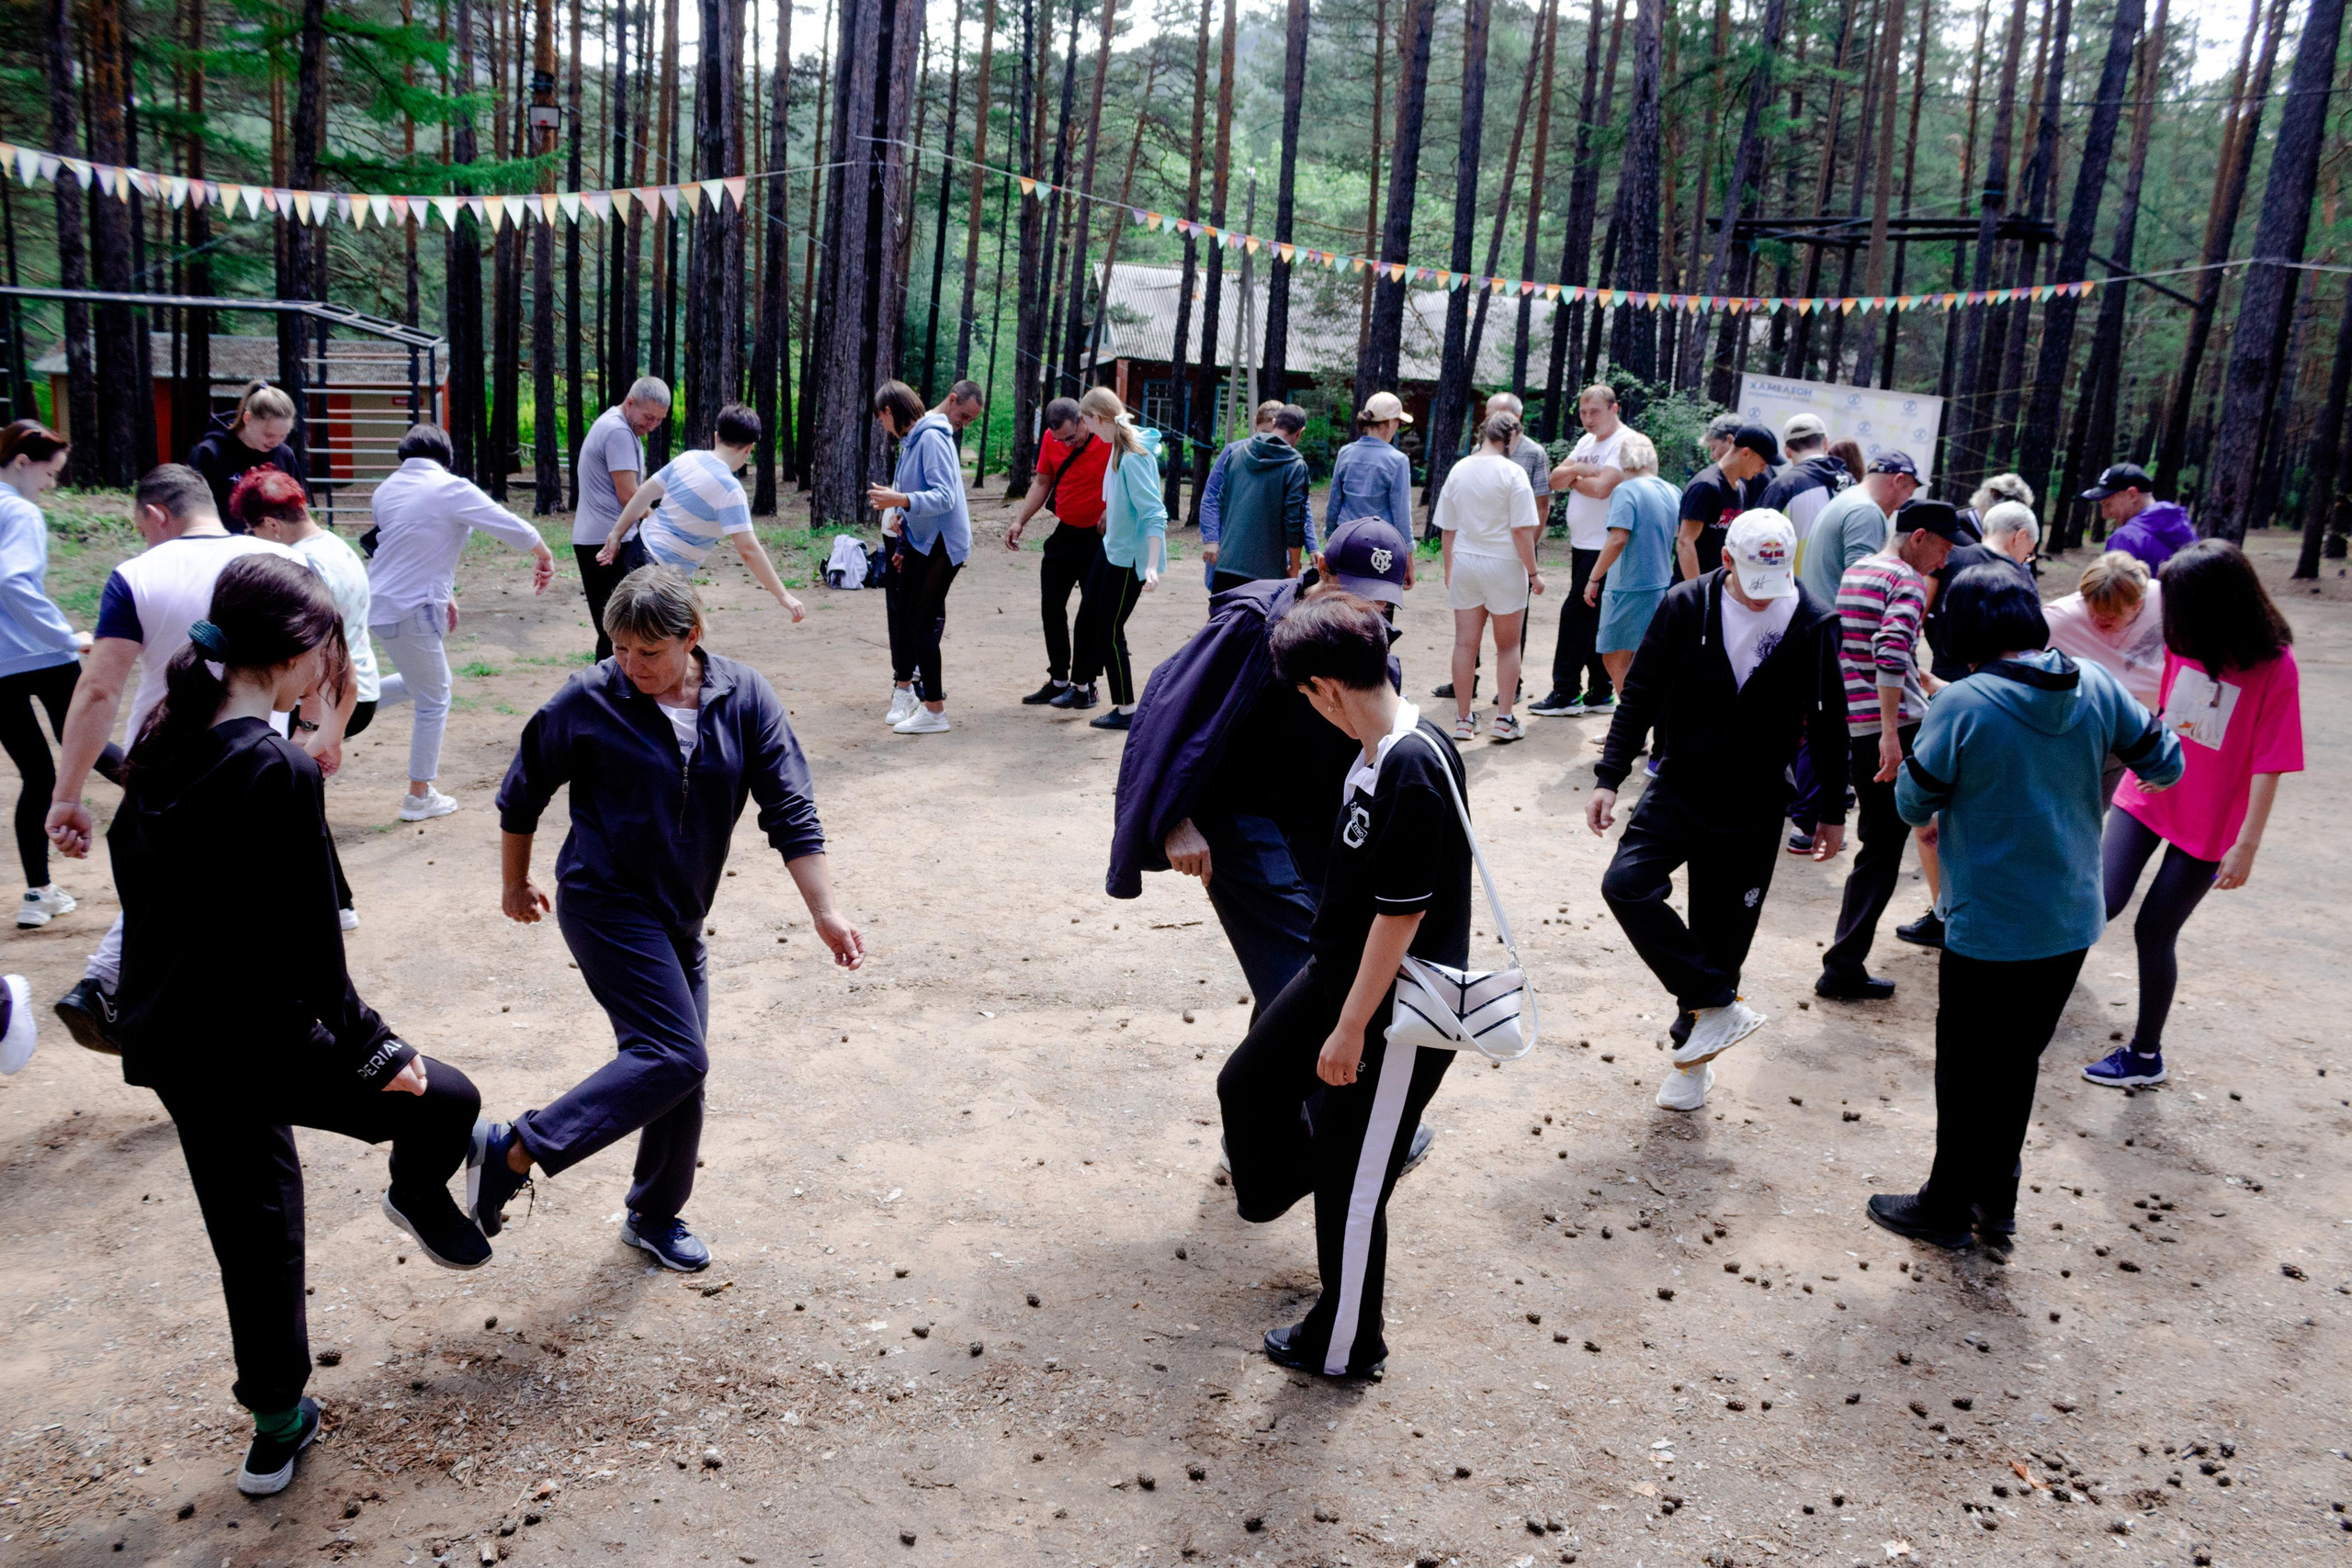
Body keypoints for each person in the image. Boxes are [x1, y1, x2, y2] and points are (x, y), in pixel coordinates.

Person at [108, 553, 490, 1496]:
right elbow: (315, 946)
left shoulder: (162, 741)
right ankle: (415, 1191)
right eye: (325, 646)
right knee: (449, 1100)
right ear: (296, 653)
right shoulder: (273, 768)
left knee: (255, 1224)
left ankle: (276, 1423)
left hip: (172, 1041)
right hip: (261, 1040)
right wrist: (377, 1051)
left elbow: (133, 885)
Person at [474, 566, 865, 1270]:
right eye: (620, 648)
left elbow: (791, 811)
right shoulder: (590, 698)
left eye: (648, 652)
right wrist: (514, 882)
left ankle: (654, 1213)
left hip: (681, 911)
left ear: (692, 636)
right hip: (603, 900)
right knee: (675, 1052)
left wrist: (825, 911)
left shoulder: (745, 697)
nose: (631, 665)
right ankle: (512, 1148)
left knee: (676, 1068)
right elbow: (521, 791)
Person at [1868, 564, 2183, 1249]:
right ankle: (1996, 1203)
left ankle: (1946, 1206)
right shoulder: (2096, 684)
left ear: (1963, 630)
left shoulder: (1965, 703)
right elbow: (2165, 762)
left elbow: (1911, 801)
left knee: (1965, 1062)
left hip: (1988, 921)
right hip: (2071, 915)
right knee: (2017, 1061)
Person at [1216, 591, 1470, 1380]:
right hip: (1338, 972)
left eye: (1304, 694)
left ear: (1325, 686)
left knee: (1354, 1190)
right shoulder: (1375, 748)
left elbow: (1402, 916)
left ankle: (1349, 1339)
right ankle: (1328, 1168)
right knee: (1248, 1084)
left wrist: (1351, 1027)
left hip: (1393, 1008)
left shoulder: (1413, 765)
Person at [1590, 511, 1850, 1111]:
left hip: (1756, 802)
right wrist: (1610, 775)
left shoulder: (1811, 621)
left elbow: (1829, 719)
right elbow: (1641, 693)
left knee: (1721, 936)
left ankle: (1691, 1062)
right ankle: (1718, 1001)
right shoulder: (1686, 606)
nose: (1763, 599)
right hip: (1680, 782)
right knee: (1626, 884)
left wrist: (1832, 807)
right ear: (1726, 560)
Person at [1108, 517, 1415, 1016]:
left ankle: (1257, 1091)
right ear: (1320, 567)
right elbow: (1168, 711)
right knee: (1306, 981)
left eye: (1380, 601)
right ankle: (1276, 1091)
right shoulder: (1252, 623)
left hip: (1314, 830)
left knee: (1315, 968)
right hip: (1239, 821)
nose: (1366, 611)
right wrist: (1173, 819)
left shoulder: (1370, 644)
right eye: (1354, 593)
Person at [48, 465, 293, 1053]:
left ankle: (106, 984)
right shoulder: (279, 563)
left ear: (156, 515)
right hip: (257, 752)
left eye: (142, 527)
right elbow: (323, 655)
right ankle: (143, 998)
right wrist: (322, 730)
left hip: (163, 757)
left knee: (173, 882)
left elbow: (99, 690)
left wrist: (67, 794)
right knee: (241, 890)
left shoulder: (136, 574)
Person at [2085, 540, 2301, 1090]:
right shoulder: (2184, 637)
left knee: (2154, 931)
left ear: (2218, 601)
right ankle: (2029, 1010)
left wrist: (2246, 844)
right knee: (2097, 903)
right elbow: (2166, 711)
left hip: (2209, 822)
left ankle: (2144, 1055)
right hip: (2150, 791)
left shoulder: (2275, 666)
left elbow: (2270, 761)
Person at [368, 424, 557, 821]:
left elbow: (416, 544)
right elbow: (506, 522)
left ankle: (348, 700)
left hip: (382, 603)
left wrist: (446, 593)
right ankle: (418, 796)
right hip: (409, 607)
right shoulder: (448, 488)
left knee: (417, 683)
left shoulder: (386, 490)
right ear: (445, 457)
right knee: (435, 696)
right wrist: (543, 553)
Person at [1815, 498, 1962, 1001]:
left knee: (1879, 848)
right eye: (1942, 550)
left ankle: (1844, 963)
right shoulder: (1904, 580)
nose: (1943, 563)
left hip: (1860, 726)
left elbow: (1857, 648)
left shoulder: (1858, 571)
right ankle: (1842, 965)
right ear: (1918, 537)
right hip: (1895, 732)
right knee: (1888, 849)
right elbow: (1890, 648)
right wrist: (1890, 733)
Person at [230, 467, 380, 931]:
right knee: (297, 800)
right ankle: (335, 902)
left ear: (271, 524)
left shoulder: (304, 568)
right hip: (342, 693)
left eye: (254, 529)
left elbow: (328, 660)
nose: (254, 539)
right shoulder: (334, 545)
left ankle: (331, 904)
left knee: (291, 801)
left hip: (324, 697)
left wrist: (315, 729)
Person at [0, 420, 118, 931]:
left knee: (38, 775)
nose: (52, 486)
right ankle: (192, 837)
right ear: (23, 463)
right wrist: (66, 637)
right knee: (93, 749)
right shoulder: (19, 510)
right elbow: (12, 578)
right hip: (42, 656)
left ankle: (38, 893)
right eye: (50, 474)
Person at [865, 379, 983, 735]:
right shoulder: (912, 440)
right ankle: (914, 699)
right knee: (908, 618)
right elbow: (915, 496)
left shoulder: (931, 437)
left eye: (881, 419)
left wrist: (899, 501)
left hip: (945, 543)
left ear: (889, 411)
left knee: (920, 623)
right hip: (923, 541)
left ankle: (934, 710)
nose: (882, 425)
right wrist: (903, 542)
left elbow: (944, 497)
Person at [1436, 412, 1544, 742]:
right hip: (1504, 564)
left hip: (1467, 561)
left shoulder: (1460, 468)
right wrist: (1534, 573)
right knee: (1508, 645)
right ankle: (1504, 718)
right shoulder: (1513, 472)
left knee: (1464, 643)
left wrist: (1449, 569)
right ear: (1510, 437)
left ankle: (1464, 719)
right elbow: (1522, 530)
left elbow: (1447, 529)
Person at [1525, 384, 1628, 716]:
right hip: (1582, 543)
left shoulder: (1623, 442)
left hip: (1605, 545)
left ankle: (1567, 691)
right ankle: (1600, 692)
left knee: (1576, 615)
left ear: (1614, 409)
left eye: (1594, 412)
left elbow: (1601, 490)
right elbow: (1554, 479)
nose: (1587, 419)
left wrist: (1573, 477)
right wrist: (1578, 471)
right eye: (1583, 413)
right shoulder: (1586, 442)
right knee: (1593, 617)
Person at [1006, 396, 1112, 709]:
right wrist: (1019, 521)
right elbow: (1042, 482)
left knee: (1090, 613)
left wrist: (1113, 510)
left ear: (1084, 420)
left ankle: (1086, 684)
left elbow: (1129, 480)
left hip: (1099, 538)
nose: (1066, 445)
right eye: (1060, 440)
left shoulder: (1108, 438)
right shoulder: (1053, 442)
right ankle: (1059, 680)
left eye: (1071, 438)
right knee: (1051, 606)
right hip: (1066, 533)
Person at [1076, 386, 1169, 732]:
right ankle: (1080, 685)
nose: (1086, 429)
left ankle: (1127, 708)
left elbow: (1154, 514)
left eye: (1087, 422)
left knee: (1110, 631)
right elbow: (1120, 500)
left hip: (1128, 561)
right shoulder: (1116, 447)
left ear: (1099, 418)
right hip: (1110, 549)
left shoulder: (1133, 456)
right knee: (1090, 619)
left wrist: (1150, 566)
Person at [571, 376, 672, 661]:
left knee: (619, 628)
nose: (652, 426)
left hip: (601, 539)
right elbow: (629, 496)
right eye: (648, 417)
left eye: (659, 420)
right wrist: (658, 524)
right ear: (630, 403)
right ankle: (604, 697)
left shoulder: (615, 425)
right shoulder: (618, 432)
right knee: (618, 631)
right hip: (606, 544)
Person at [1584, 431, 1680, 696]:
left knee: (1613, 656)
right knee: (1642, 657)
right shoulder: (1672, 490)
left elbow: (1618, 538)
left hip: (1627, 586)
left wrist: (1594, 577)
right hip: (1659, 584)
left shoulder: (1626, 490)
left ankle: (1629, 724)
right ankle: (1630, 724)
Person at [1203, 400, 1314, 592]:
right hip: (1268, 575)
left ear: (1275, 423)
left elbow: (1220, 502)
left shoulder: (1236, 454)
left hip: (1226, 567)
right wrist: (1294, 567)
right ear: (1300, 432)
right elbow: (1295, 522)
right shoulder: (1295, 466)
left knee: (1222, 622)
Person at [2044, 550, 2166, 714]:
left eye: (2110, 618)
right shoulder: (2060, 617)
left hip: (2149, 719)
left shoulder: (2164, 601)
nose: (2096, 621)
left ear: (2137, 605)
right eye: (2091, 613)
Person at [1796, 451, 1918, 606]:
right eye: (1910, 492)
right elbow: (1862, 587)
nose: (1906, 502)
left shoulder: (1848, 498)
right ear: (1898, 480)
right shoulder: (1866, 511)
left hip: (1820, 618)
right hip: (1836, 623)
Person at [186, 381, 303, 528]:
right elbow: (190, 508)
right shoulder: (207, 453)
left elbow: (296, 508)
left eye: (282, 436)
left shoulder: (284, 455)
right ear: (247, 419)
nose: (276, 442)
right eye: (269, 435)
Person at [1678, 423, 1778, 581]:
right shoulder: (1706, 486)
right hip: (1693, 589)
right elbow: (1685, 542)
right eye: (1763, 463)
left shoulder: (1741, 489)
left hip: (1719, 583)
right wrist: (1698, 592)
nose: (1763, 470)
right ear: (1746, 453)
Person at [1327, 391, 1417, 545]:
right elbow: (1401, 513)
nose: (1398, 428)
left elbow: (1334, 502)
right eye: (1398, 422)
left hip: (1345, 539)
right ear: (1388, 422)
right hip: (1379, 544)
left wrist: (1330, 536)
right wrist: (1407, 551)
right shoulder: (1397, 460)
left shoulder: (1345, 453)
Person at [2082, 462, 2195, 571]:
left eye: (2108, 504)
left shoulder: (2125, 538)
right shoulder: (2181, 524)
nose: (2105, 515)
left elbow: (2115, 589)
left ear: (2132, 495)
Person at [1759, 412, 1849, 539]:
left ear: (1787, 451)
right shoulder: (1851, 484)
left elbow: (1759, 538)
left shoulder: (1783, 487)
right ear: (1825, 443)